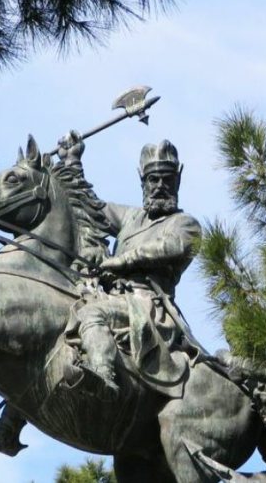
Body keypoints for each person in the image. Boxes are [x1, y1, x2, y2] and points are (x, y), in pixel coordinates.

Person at [60, 133, 203, 400]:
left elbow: (169, 247)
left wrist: (120, 261)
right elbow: (91, 207)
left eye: (167, 179)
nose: (160, 185)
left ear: (178, 180)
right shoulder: (131, 218)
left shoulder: (186, 224)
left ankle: (103, 376)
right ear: (143, 181)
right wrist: (72, 164)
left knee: (92, 315)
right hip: (112, 296)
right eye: (153, 179)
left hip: (147, 305)